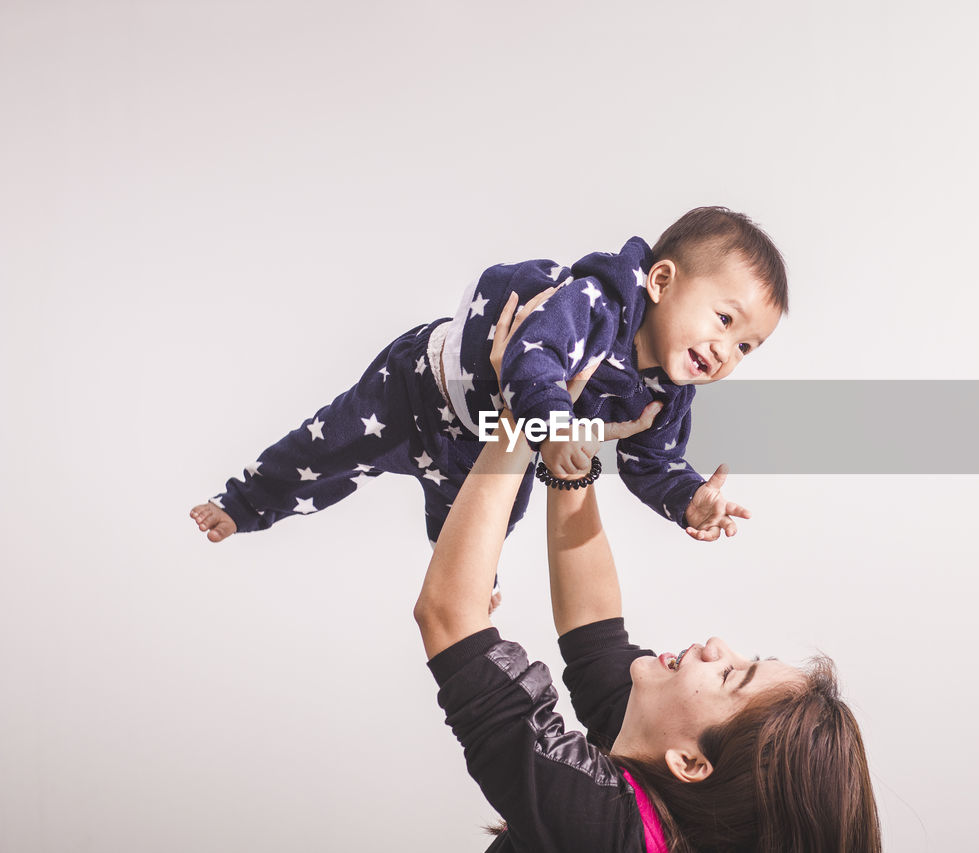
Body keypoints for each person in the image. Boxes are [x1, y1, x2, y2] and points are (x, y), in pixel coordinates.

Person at [415, 291, 881, 852]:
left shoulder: (608, 832)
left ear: (691, 762)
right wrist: (573, 448)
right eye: (746, 658)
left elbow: (449, 617)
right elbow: (593, 631)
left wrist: (518, 416)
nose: (717, 645)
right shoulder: (661, 784)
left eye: (730, 677)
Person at [190, 207, 787, 564]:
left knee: (491, 525)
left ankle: (475, 581)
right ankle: (245, 502)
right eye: (724, 320)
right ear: (660, 280)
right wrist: (554, 431)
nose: (724, 352)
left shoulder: (667, 395)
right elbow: (533, 357)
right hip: (419, 390)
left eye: (744, 347)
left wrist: (687, 500)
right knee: (328, 447)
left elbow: (651, 463)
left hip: (485, 447)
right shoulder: (596, 305)